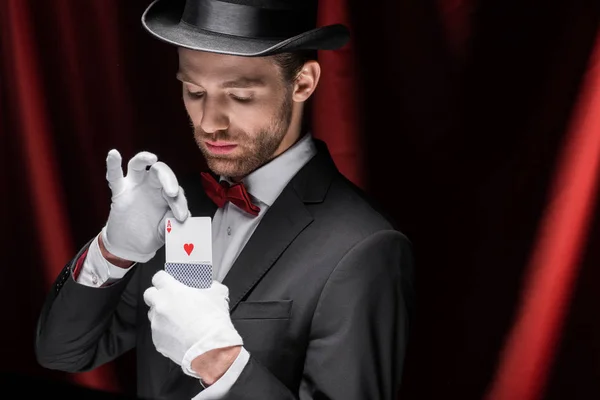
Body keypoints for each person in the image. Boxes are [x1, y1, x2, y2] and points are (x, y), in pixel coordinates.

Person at [35, 0, 415, 399]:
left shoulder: (365, 247)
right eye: (194, 91)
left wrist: (223, 364)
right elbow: (63, 353)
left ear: (302, 82)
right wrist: (114, 251)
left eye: (240, 95)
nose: (209, 122)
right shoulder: (176, 204)